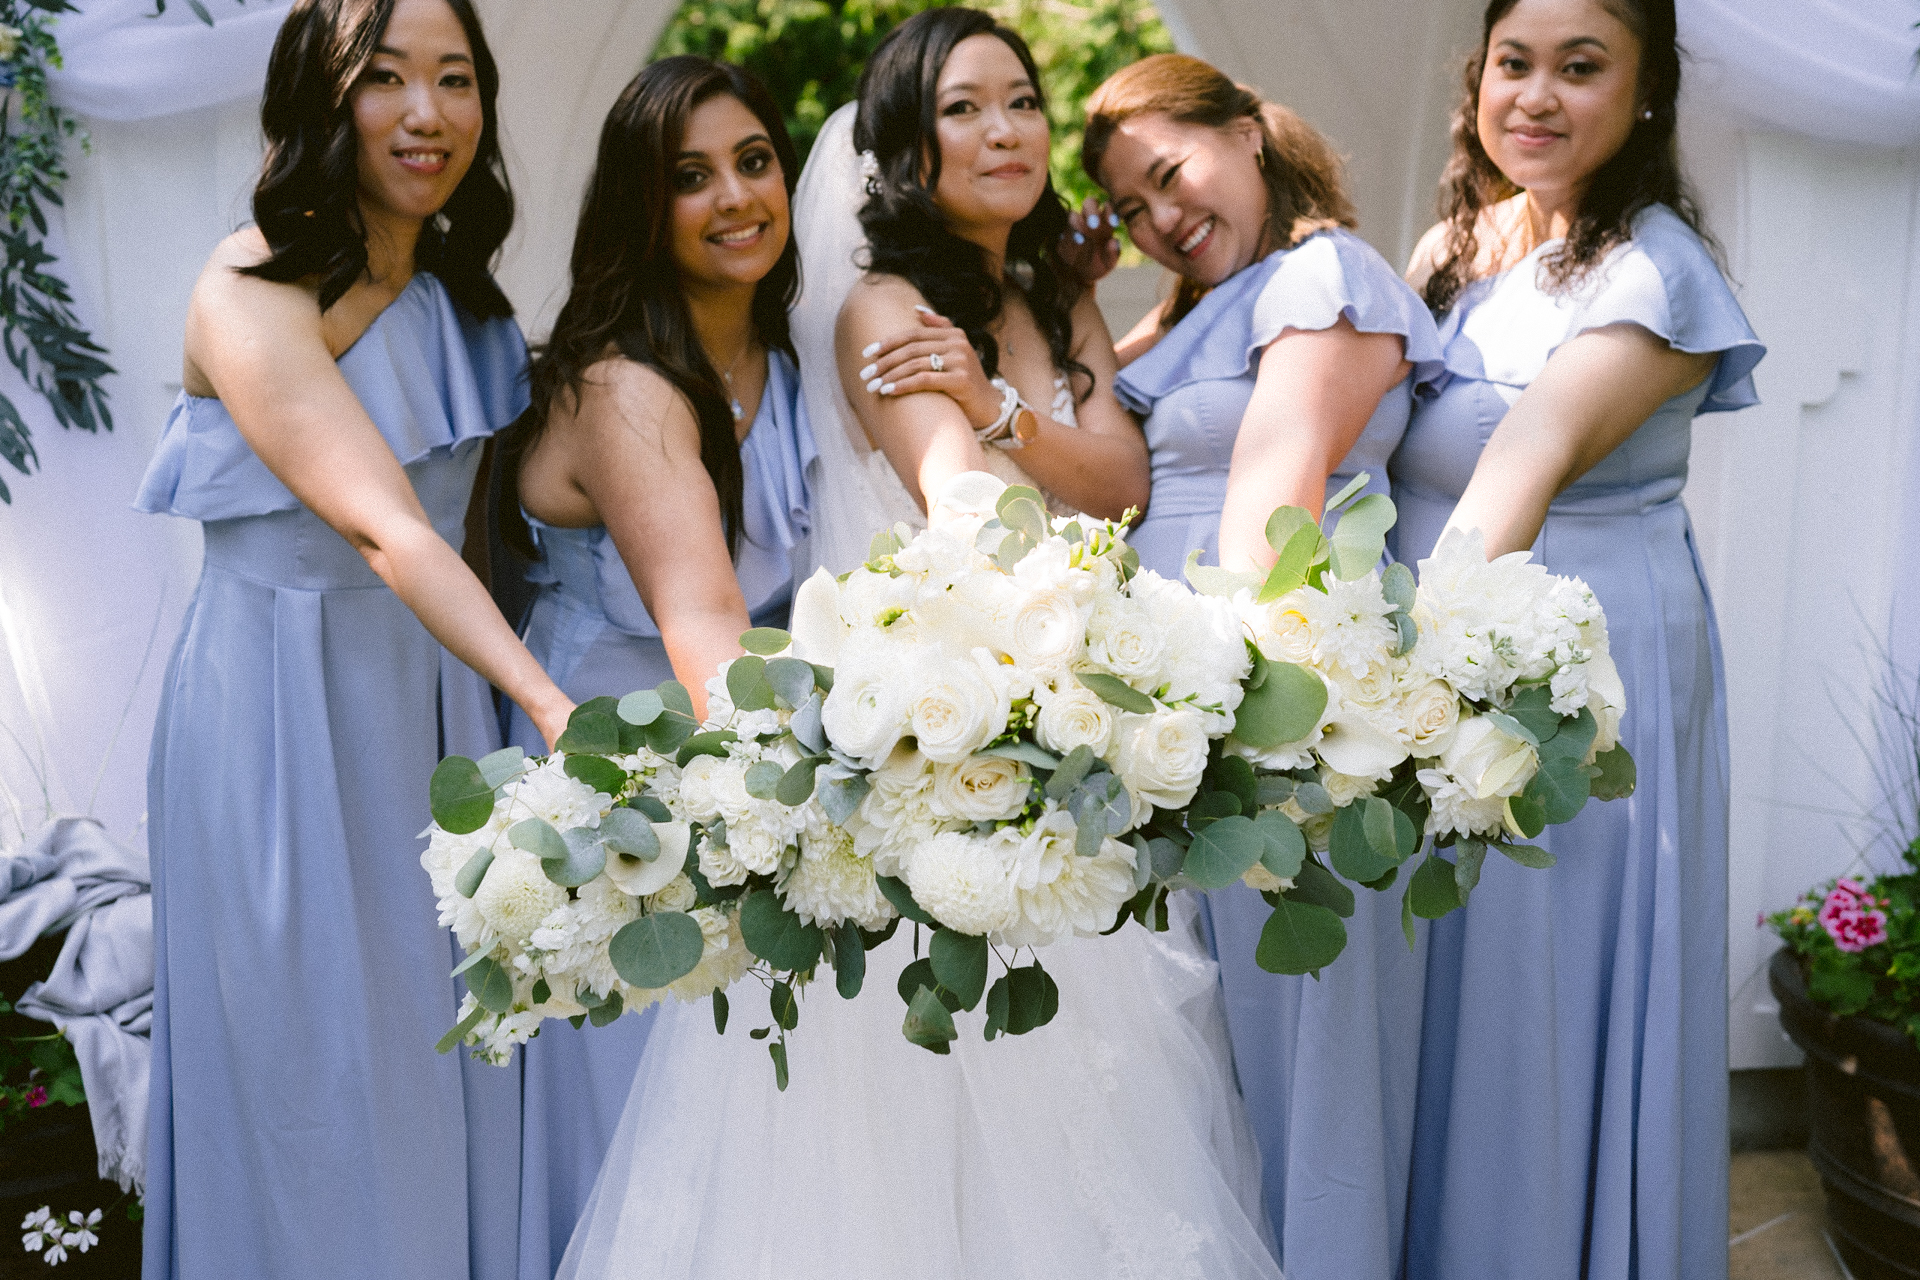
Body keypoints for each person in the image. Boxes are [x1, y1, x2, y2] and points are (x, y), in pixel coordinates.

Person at [555, 13, 1280, 1279]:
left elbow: (1117, 480)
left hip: (1050, 728)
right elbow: (966, 509)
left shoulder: (1051, 289)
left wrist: (997, 400)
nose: (1003, 129)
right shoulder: (885, 306)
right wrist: (1065, 600)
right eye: (963, 109)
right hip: (949, 735)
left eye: (1019, 102)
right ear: (904, 145)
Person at [133, 1, 572, 1276]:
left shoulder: (466, 297)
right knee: (307, 1060)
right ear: (320, 101)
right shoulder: (248, 282)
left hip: (439, 700)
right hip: (275, 711)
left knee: (452, 1041)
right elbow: (388, 529)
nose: (426, 113)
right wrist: (552, 701)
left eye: (454, 79)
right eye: (384, 80)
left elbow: (487, 532)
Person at [1390, 1, 1762, 1275]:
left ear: (1650, 91)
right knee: (1450, 984)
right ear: (1477, 76)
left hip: (1582, 671)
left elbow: (1518, 469)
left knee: (1538, 992)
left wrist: (1376, 685)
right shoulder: (1456, 244)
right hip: (1446, 651)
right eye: (1514, 63)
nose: (1536, 96)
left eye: (1582, 68)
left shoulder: (1655, 275)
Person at [1076, 53, 1445, 1280]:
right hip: (1174, 714)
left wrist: (1216, 696)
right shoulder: (1189, 311)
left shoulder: (1323, 274)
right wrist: (1079, 283)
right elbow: (1100, 436)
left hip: (1276, 702)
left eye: (1170, 174)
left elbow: (1271, 495)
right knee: (1202, 1040)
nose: (1162, 218)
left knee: (1304, 1039)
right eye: (1130, 209)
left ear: (1246, 132)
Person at [492, 57, 814, 1279]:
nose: (736, 195)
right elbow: (703, 626)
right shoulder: (625, 385)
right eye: (691, 178)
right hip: (610, 770)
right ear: (643, 203)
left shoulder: (784, 360)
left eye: (753, 161)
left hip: (729, 747)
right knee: (643, 1118)